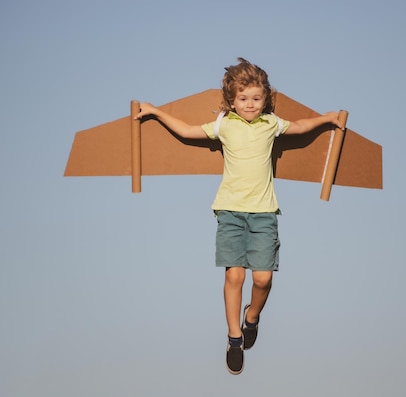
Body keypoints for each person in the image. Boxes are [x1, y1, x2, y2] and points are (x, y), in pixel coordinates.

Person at [134, 58, 343, 375]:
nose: (250, 104)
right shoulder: (224, 125)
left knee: (263, 279)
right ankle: (234, 338)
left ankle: (252, 317)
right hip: (230, 211)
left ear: (265, 100)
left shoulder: (271, 124)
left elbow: (300, 127)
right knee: (235, 276)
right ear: (231, 100)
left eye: (257, 99)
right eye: (243, 99)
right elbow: (188, 132)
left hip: (264, 213)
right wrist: (156, 111)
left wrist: (327, 119)